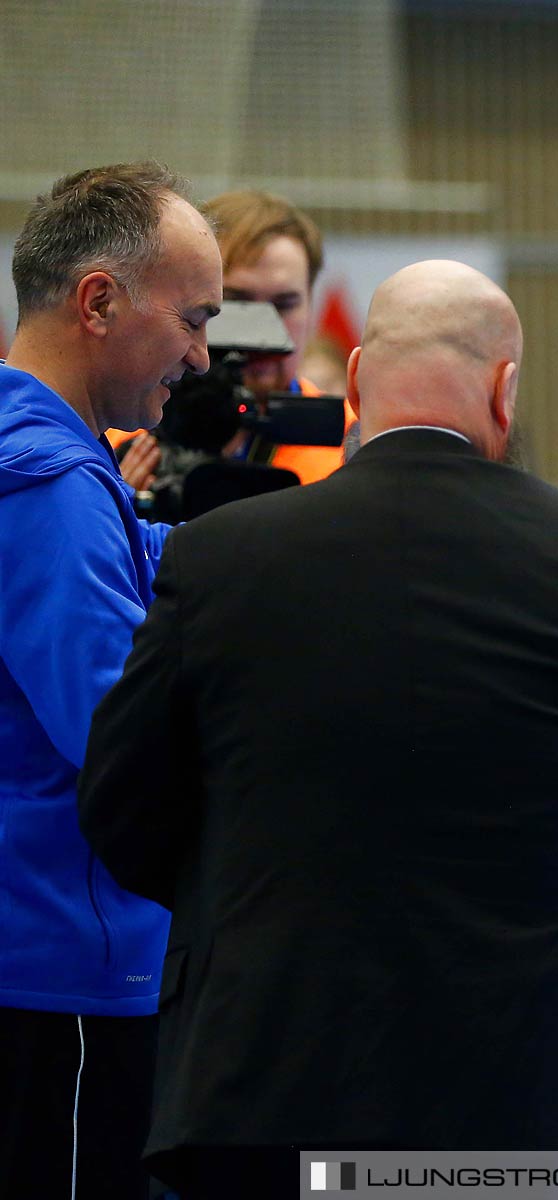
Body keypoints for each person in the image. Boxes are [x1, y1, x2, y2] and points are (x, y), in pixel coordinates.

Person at [78, 260, 558, 1197]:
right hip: (510, 1096)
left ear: (352, 387)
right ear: (505, 392)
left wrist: (229, 892)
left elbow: (117, 800)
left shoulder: (221, 557)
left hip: (262, 1079)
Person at [0, 162, 221, 1199]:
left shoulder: (49, 462)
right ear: (99, 301)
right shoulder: (47, 483)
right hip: (63, 970)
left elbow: (143, 556)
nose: (203, 355)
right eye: (193, 318)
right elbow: (118, 732)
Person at [114, 188, 354, 490]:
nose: (263, 330)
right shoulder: (121, 433)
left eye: (284, 305)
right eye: (237, 301)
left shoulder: (353, 442)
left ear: (311, 305)